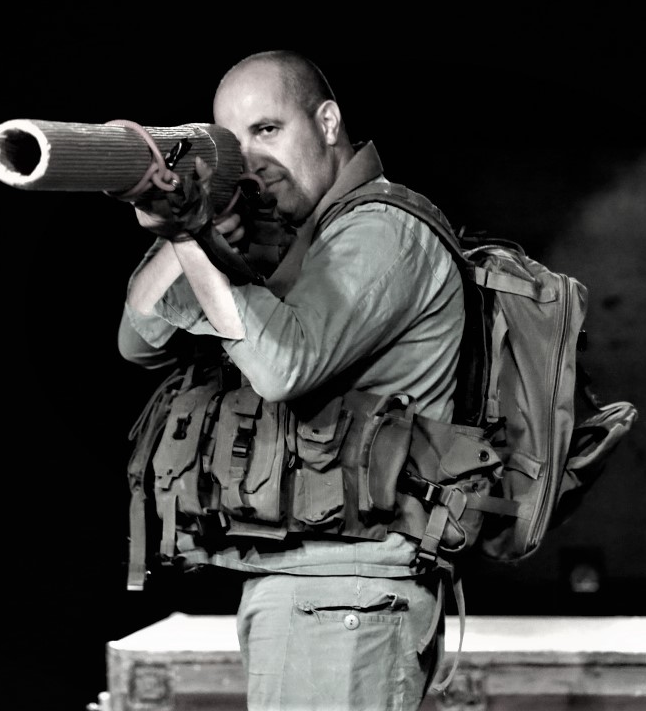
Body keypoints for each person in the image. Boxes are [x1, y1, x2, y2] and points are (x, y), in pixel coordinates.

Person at [116, 50, 465, 710]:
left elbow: (282, 368)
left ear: (327, 122)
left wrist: (196, 239)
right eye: (233, 142)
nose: (251, 159)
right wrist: (185, 232)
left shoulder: (382, 230)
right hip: (314, 587)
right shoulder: (297, 239)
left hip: (345, 590)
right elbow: (140, 340)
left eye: (268, 129)